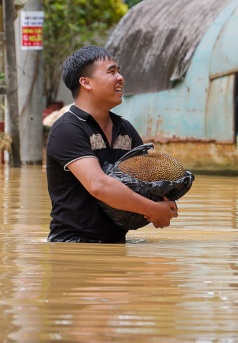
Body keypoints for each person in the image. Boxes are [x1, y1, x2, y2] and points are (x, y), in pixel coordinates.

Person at [45, 46, 179, 243]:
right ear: (86, 82)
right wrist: (151, 209)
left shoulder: (125, 129)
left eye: (119, 71)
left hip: (116, 244)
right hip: (72, 248)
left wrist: (164, 200)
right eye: (111, 71)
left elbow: (146, 182)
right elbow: (98, 185)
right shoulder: (67, 129)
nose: (120, 77)